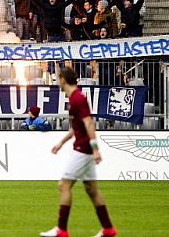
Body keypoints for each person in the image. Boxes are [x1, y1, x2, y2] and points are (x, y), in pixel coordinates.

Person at [40, 67, 116, 237]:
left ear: (63, 79)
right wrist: (61, 142)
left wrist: (95, 149)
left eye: (58, 79)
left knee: (63, 185)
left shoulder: (77, 99)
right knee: (91, 189)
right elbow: (78, 127)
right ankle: (108, 228)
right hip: (85, 148)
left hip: (82, 149)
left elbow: (89, 123)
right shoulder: (75, 98)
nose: (57, 82)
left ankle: (61, 229)